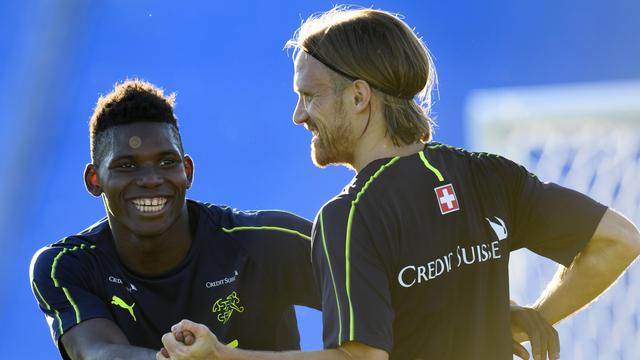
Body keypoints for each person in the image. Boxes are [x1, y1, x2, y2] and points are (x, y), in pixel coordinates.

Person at [159, 6, 640, 360]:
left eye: (309, 96)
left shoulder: (348, 217)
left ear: (359, 97)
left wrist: (223, 356)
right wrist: (526, 317)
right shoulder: (490, 173)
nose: (298, 114)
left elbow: (360, 359)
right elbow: (618, 241)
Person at [29, 79, 320, 359]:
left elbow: (365, 309)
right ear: (95, 180)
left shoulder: (269, 240)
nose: (151, 179)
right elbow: (99, 353)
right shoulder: (66, 266)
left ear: (188, 171)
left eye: (167, 162)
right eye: (126, 165)